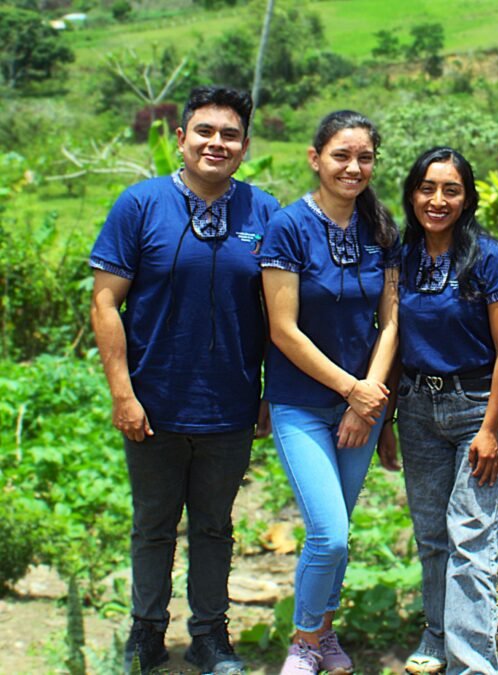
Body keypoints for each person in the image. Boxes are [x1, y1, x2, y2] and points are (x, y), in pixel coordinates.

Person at [89, 86, 279, 675]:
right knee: (153, 526)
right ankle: (146, 632)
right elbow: (104, 303)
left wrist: (269, 393)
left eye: (229, 135)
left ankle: (210, 636)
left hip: (230, 405)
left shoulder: (264, 211)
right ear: (181, 138)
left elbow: (280, 313)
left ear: (245, 146)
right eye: (205, 131)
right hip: (153, 402)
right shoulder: (140, 205)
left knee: (215, 528)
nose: (216, 143)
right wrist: (123, 393)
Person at [260, 110, 400, 675]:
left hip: (363, 407)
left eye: (364, 157)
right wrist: (352, 390)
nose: (353, 167)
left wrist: (368, 400)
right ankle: (303, 641)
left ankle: (324, 632)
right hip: (301, 404)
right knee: (330, 534)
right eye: (341, 155)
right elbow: (283, 329)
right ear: (315, 159)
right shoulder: (288, 226)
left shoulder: (381, 229)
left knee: (337, 525)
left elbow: (390, 323)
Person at [395, 147, 498, 675]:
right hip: (417, 408)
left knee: (471, 537)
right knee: (431, 534)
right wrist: (387, 418)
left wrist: (491, 428)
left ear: (467, 199)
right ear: (412, 194)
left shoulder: (487, 257)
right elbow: (391, 337)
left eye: (451, 190)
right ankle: (437, 633)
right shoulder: (401, 256)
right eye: (427, 188)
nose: (438, 200)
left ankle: (471, 663)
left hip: (476, 409)